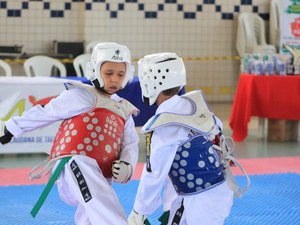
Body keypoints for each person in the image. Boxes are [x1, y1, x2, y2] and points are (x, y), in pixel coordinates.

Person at [0, 42, 140, 225]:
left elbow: (130, 143)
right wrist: (11, 127)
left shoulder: (124, 109)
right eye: (109, 73)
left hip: (101, 173)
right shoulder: (82, 95)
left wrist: (128, 166)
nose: (114, 79)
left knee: (90, 213)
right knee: (101, 202)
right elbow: (46, 112)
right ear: (96, 71)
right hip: (74, 165)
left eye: (120, 74)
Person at [128, 52, 249, 225]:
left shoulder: (164, 125)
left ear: (151, 84)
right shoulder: (194, 104)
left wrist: (139, 211)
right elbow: (217, 130)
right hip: (212, 191)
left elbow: (154, 172)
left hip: (202, 201)